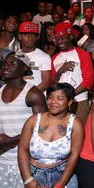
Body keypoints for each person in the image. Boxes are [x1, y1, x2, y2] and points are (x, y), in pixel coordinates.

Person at [18, 83, 84, 187]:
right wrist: (28, 179)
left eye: (59, 98)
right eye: (50, 97)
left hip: (63, 176)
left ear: (70, 102)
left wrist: (60, 184)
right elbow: (22, 150)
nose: (53, 102)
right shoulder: (33, 121)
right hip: (35, 176)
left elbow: (74, 155)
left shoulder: (75, 123)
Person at [0, 51, 47, 187]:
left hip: (25, 162)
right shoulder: (0, 91)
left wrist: (11, 141)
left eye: (12, 63)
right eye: (5, 63)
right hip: (3, 160)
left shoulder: (33, 94)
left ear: (24, 68)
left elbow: (43, 128)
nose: (6, 66)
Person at [51, 22, 94, 125]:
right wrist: (60, 71)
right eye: (57, 39)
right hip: (60, 103)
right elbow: (52, 82)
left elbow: (88, 81)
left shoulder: (83, 54)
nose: (60, 41)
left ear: (70, 36)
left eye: (62, 38)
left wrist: (69, 95)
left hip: (79, 101)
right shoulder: (54, 58)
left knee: (80, 132)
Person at [18, 21, 51, 93]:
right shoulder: (16, 55)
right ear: (20, 36)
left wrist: (29, 95)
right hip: (17, 98)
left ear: (37, 37)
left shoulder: (44, 56)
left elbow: (46, 83)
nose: (30, 38)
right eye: (26, 35)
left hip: (36, 99)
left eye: (33, 35)